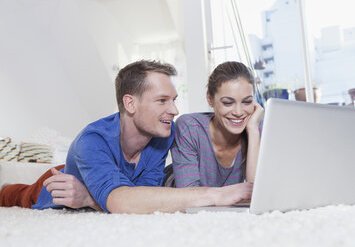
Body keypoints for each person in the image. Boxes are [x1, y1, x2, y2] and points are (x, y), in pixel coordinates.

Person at [0, 60, 252, 214]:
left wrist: (91, 198)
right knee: (12, 195)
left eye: (173, 100)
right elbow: (122, 201)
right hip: (59, 184)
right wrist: (217, 195)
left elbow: (144, 195)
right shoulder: (92, 140)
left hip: (103, 184)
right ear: (130, 103)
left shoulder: (163, 134)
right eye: (162, 100)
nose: (174, 110)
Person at [170, 61, 264, 190]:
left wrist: (253, 131)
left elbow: (257, 194)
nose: (238, 112)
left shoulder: (256, 128)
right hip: (176, 195)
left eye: (247, 102)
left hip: (222, 203)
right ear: (210, 99)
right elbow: (188, 194)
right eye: (227, 103)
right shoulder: (190, 128)